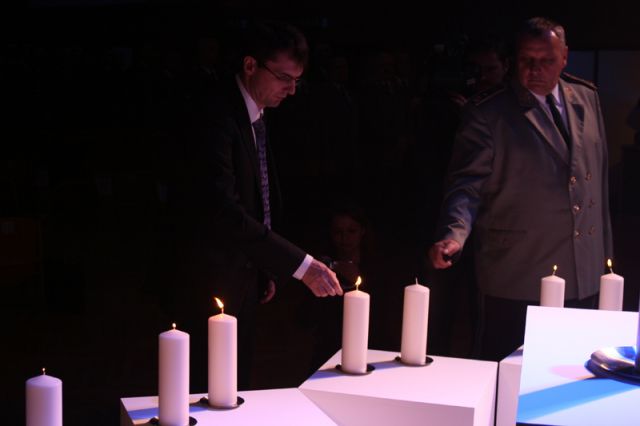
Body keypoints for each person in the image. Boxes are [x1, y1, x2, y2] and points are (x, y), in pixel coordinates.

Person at [167, 20, 343, 391]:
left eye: (297, 80)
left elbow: (259, 197)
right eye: (284, 77)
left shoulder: (256, 112)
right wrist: (301, 266)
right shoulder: (214, 115)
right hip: (209, 277)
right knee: (207, 389)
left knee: (235, 385)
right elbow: (223, 210)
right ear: (250, 65)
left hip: (243, 272)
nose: (291, 90)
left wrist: (264, 266)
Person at [428, 17, 613, 361]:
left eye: (547, 60)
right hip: (517, 271)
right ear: (514, 59)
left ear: (565, 57)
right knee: (508, 369)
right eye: (527, 60)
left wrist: (602, 255)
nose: (535, 69)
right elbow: (466, 185)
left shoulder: (586, 98)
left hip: (582, 268)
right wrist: (454, 233)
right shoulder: (489, 112)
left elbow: (596, 183)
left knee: (574, 368)